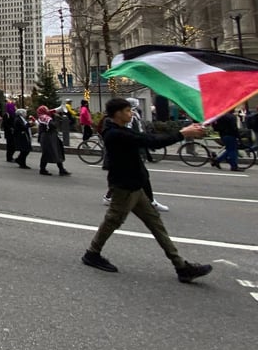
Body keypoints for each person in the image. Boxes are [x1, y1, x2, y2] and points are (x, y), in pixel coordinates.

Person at [82, 98, 213, 283]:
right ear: (118, 113)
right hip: (125, 188)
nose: (131, 113)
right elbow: (150, 141)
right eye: (127, 110)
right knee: (113, 221)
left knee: (155, 224)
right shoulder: (115, 134)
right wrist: (183, 133)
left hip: (135, 186)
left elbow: (146, 142)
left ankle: (181, 266)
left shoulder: (120, 130)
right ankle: (92, 253)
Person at [37, 105, 69, 176]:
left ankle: (61, 169)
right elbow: (52, 125)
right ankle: (42, 169)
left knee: (57, 151)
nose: (48, 110)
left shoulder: (44, 117)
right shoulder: (44, 117)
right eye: (46, 109)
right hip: (47, 137)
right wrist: (56, 118)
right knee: (47, 153)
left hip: (51, 136)